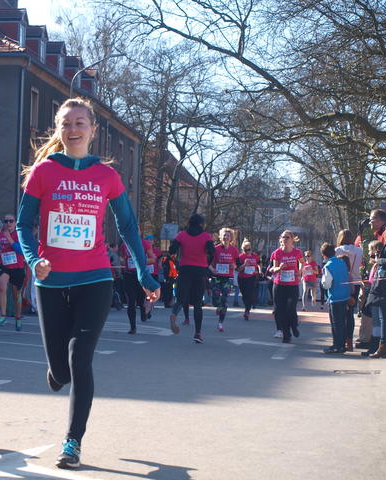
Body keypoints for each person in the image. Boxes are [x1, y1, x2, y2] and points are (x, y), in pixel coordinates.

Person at [16, 98, 160, 469]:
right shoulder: (44, 172)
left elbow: (127, 226)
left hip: (95, 279)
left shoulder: (106, 176)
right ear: (58, 129)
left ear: (92, 130)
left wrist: (142, 271)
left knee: (80, 358)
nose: (74, 129)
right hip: (51, 281)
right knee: (61, 371)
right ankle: (56, 370)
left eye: (81, 122)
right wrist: (34, 260)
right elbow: (23, 225)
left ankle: (72, 443)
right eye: (67, 123)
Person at [169, 214, 215, 343]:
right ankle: (198, 333)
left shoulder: (181, 235)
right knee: (197, 304)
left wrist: (177, 258)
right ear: (201, 224)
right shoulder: (206, 236)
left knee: (181, 299)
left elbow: (172, 250)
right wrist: (207, 261)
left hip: (185, 269)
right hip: (200, 271)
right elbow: (212, 252)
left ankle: (173, 314)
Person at [269, 230, 304, 343]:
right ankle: (286, 335)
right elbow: (273, 269)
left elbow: (302, 262)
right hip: (279, 285)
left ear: (292, 239)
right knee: (281, 310)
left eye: (287, 237)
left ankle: (294, 325)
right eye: (283, 237)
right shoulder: (277, 253)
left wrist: (300, 271)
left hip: (292, 285)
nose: (285, 239)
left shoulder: (297, 252)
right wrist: (279, 268)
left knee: (291, 308)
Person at [120, 233, 156, 333]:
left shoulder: (145, 244)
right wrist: (123, 261)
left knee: (140, 299)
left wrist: (140, 261)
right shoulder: (125, 244)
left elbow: (152, 259)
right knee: (131, 301)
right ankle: (133, 327)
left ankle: (143, 311)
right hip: (128, 275)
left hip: (140, 275)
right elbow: (122, 257)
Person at [0, 213, 26, 330]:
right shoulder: (1, 234)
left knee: (16, 295)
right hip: (4, 266)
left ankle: (18, 316)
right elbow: (0, 247)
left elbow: (20, 251)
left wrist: (9, 238)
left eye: (11, 221)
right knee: (1, 288)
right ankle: (3, 315)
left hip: (17, 267)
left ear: (15, 223)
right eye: (6, 221)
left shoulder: (19, 234)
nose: (8, 223)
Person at [365, 221, 386, 358]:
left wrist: (377, 260)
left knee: (384, 317)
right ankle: (383, 346)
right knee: (384, 317)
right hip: (385, 284)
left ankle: (383, 347)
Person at [335, 229, 363, 351]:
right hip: (355, 282)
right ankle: (349, 342)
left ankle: (340, 340)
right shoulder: (359, 250)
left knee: (340, 313)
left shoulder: (337, 250)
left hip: (341, 282)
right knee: (350, 313)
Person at [320, 243, 351, 354]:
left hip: (335, 297)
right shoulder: (341, 262)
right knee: (342, 322)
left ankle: (337, 346)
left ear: (323, 255)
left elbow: (326, 284)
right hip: (345, 295)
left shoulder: (328, 266)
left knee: (336, 323)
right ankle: (342, 344)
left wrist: (322, 282)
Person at [210, 228, 240, 332]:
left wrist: (234, 266)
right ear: (220, 237)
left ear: (231, 238)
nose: (226, 237)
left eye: (228, 235)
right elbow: (208, 262)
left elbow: (238, 265)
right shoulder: (215, 249)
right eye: (224, 235)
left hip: (228, 278)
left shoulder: (234, 250)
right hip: (217, 277)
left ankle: (220, 323)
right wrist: (212, 269)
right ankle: (218, 306)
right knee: (216, 298)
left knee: (224, 300)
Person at [237, 239, 260, 320]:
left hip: (252, 277)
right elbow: (238, 269)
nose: (247, 251)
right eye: (245, 250)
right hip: (242, 278)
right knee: (244, 295)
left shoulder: (255, 256)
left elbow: (259, 263)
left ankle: (247, 311)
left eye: (249, 249)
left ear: (251, 249)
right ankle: (249, 304)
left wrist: (259, 270)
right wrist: (244, 265)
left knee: (250, 293)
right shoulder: (240, 257)